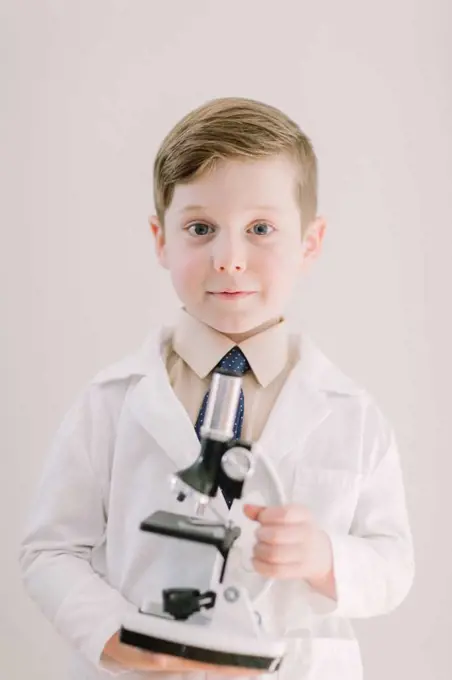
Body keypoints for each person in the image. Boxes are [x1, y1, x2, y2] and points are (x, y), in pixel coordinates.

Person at [19, 97, 415, 680]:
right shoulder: (111, 402)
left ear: (310, 242)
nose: (229, 259)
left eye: (261, 229)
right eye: (201, 229)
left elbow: (393, 564)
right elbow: (50, 552)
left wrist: (325, 557)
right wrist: (113, 636)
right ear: (161, 239)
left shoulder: (352, 415)